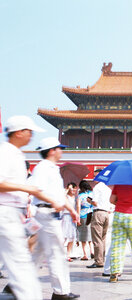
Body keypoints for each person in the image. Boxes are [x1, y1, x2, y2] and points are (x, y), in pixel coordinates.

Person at [0, 115, 49, 300]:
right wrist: (25, 187)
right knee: (21, 265)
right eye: (29, 131)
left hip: (14, 213)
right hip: (5, 212)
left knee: (19, 262)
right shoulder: (6, 152)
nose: (31, 136)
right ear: (19, 132)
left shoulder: (16, 154)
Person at [29, 137, 80, 300]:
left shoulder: (52, 168)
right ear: (52, 150)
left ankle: (18, 283)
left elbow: (59, 195)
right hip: (47, 214)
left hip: (50, 213)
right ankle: (60, 292)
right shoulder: (43, 168)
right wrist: (53, 202)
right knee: (57, 253)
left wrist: (71, 210)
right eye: (59, 148)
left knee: (39, 253)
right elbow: (35, 189)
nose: (61, 151)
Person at [87, 169, 112, 269]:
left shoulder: (97, 188)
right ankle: (102, 259)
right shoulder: (107, 188)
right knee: (103, 238)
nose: (94, 178)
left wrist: (89, 200)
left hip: (98, 213)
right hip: (106, 213)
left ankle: (98, 261)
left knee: (97, 238)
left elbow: (95, 202)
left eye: (95, 176)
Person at [76, 180, 94, 260]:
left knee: (83, 235)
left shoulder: (80, 195)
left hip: (83, 215)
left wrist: (78, 217)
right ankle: (92, 251)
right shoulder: (92, 194)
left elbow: (78, 206)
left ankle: (85, 254)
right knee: (90, 234)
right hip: (91, 214)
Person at [63, 182, 78, 262]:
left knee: (72, 236)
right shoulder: (66, 196)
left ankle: (68, 254)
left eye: (74, 188)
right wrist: (68, 189)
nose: (73, 190)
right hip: (65, 216)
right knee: (64, 236)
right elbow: (61, 197)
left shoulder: (75, 197)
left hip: (72, 217)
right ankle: (60, 254)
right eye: (72, 188)